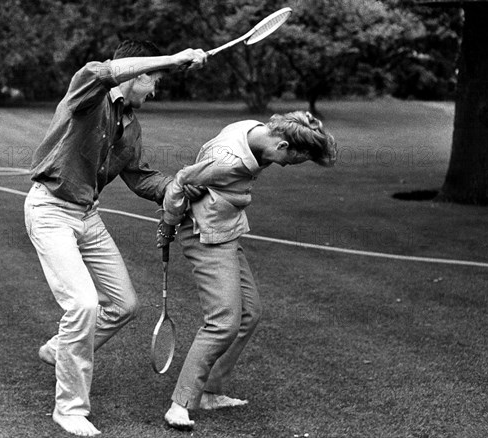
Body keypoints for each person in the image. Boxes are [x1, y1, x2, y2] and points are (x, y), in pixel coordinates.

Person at [24, 40, 207, 437]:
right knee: (83, 304)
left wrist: (185, 186)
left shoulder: (131, 127)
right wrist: (175, 61)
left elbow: (142, 178)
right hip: (51, 211)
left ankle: (59, 350)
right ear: (137, 73)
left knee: (123, 305)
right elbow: (103, 71)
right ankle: (69, 408)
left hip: (88, 217)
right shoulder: (89, 92)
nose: (155, 90)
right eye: (153, 81)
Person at [156, 111, 337, 430]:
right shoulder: (229, 161)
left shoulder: (256, 129)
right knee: (222, 321)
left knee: (250, 311)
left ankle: (210, 391)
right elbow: (183, 179)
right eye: (288, 161)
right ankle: (180, 405)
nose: (281, 166)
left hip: (225, 227)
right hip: (205, 233)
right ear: (281, 145)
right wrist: (168, 223)